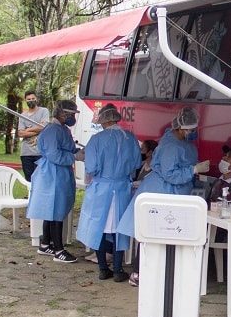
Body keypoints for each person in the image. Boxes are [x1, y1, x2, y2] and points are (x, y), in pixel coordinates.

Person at [117, 106, 210, 286]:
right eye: (190, 130)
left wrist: (193, 170)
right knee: (150, 234)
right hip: (161, 192)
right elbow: (170, 174)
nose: (192, 133)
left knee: (165, 235)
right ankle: (138, 273)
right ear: (180, 128)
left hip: (174, 192)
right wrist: (193, 169)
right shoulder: (171, 146)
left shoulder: (180, 143)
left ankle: (157, 272)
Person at [77, 103, 141, 282]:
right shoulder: (130, 138)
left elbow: (91, 167)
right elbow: (136, 163)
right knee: (119, 229)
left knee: (99, 227)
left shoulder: (96, 140)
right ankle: (119, 269)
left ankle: (103, 268)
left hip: (101, 189)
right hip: (121, 189)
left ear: (103, 120)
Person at [26, 100, 83, 263]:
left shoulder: (63, 129)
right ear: (63, 113)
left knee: (52, 210)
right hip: (52, 173)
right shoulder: (52, 131)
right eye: (71, 114)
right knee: (55, 210)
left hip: (59, 173)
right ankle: (59, 250)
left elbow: (69, 148)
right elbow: (54, 155)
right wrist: (73, 157)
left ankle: (45, 244)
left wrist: (79, 152)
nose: (73, 117)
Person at [17, 91, 50, 182]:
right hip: (26, 153)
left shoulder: (44, 111)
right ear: (25, 100)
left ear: (36, 99)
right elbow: (20, 133)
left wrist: (27, 129)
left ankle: (38, 196)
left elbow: (44, 127)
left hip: (40, 152)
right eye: (28, 99)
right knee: (28, 179)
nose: (31, 100)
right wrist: (38, 130)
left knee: (40, 179)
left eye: (33, 99)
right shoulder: (22, 115)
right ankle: (29, 195)